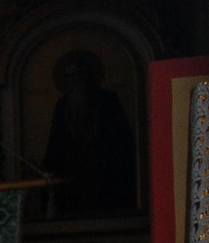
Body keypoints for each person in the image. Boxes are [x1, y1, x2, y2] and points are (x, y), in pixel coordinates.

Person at [41, 49, 137, 218]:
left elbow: (122, 140)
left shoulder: (108, 100)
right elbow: (56, 142)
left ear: (87, 76)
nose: (74, 81)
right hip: (72, 175)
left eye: (77, 75)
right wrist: (48, 168)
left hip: (105, 172)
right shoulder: (63, 105)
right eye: (69, 77)